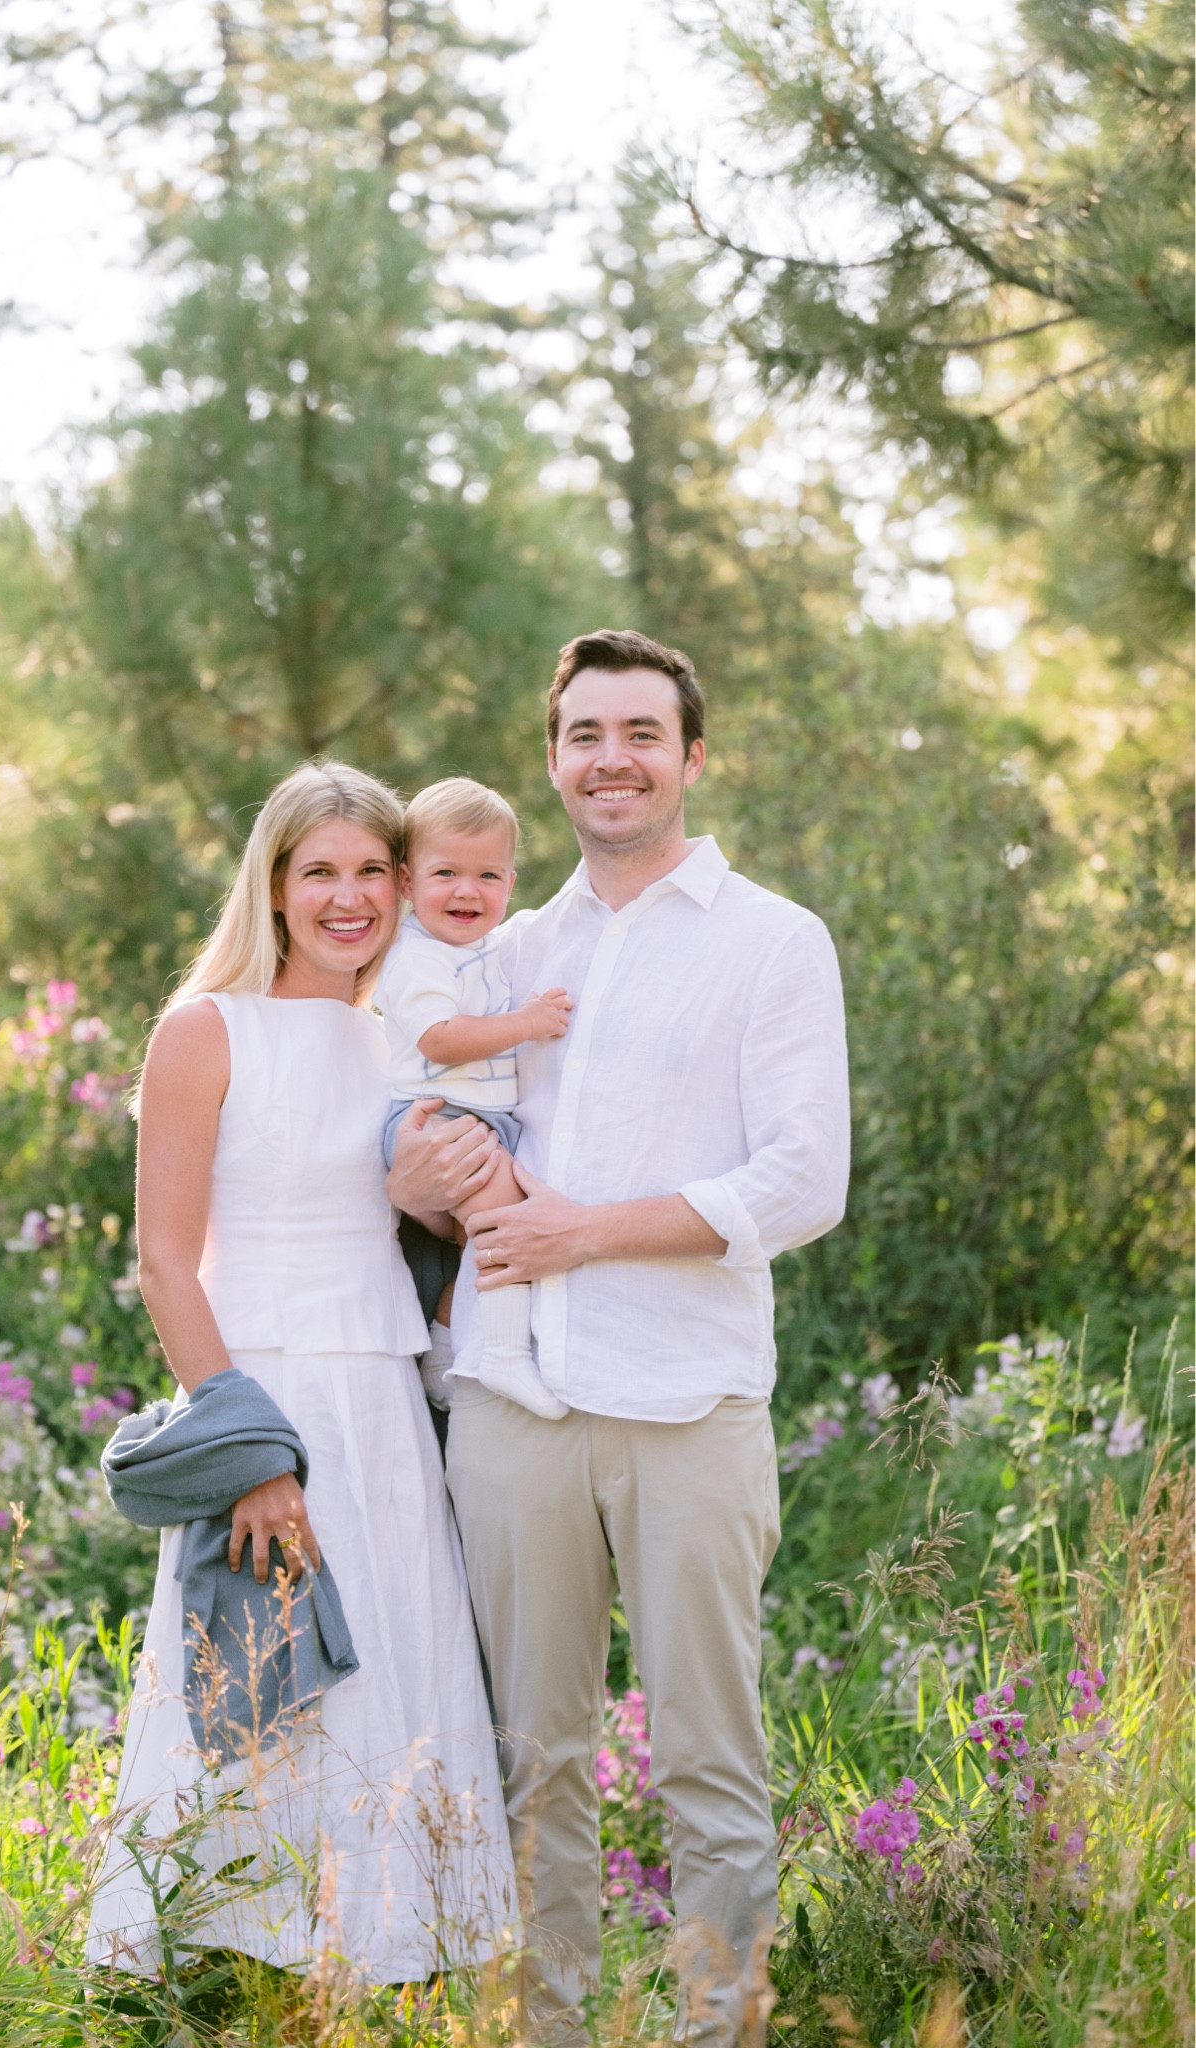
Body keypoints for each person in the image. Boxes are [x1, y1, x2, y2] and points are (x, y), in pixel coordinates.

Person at [386, 630, 850, 2034]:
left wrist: (582, 1231)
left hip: (685, 1402)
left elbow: (802, 1181)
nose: (612, 758)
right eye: (585, 733)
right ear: (552, 759)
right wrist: (425, 1180)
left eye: (641, 732)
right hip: (511, 1403)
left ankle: (718, 2026)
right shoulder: (508, 951)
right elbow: (420, 1126)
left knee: (708, 1762)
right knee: (532, 1762)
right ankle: (550, 2029)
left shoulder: (771, 940)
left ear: (692, 756)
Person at [87, 761, 517, 1983]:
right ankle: (222, 1963)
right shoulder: (205, 1028)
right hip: (263, 1390)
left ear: (403, 884)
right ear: (272, 884)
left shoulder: (401, 1036)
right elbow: (165, 1263)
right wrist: (249, 1456)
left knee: (397, 1655)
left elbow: (432, 1218)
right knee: (256, 1676)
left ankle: (393, 1952)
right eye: (319, 869)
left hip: (383, 1393)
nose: (348, 895)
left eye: (372, 869)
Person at [375, 777, 572, 1419]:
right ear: (408, 882)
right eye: (446, 873)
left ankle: (442, 1353)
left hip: (479, 1119)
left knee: (475, 1244)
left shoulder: (485, 948)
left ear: (511, 884)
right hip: (436, 1118)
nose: (468, 890)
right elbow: (440, 1038)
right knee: (505, 1230)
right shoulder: (418, 956)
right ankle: (506, 1356)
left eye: (488, 875)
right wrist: (527, 1023)